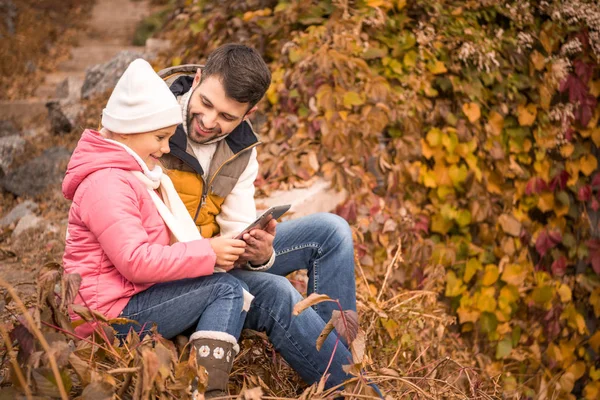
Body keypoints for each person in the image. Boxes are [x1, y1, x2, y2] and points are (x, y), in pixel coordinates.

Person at [158, 44, 378, 393]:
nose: (209, 122)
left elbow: (236, 230)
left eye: (228, 117)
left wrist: (261, 255)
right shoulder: (153, 123)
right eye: (207, 104)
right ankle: (353, 388)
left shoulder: (242, 151)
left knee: (332, 231)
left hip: (218, 258)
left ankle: (338, 358)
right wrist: (208, 251)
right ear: (197, 78)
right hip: (172, 265)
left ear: (249, 113)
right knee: (277, 290)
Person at [62, 58, 249, 398]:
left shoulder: (128, 175)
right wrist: (207, 252)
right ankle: (205, 390)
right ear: (129, 128)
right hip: (105, 318)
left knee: (225, 286)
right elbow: (136, 261)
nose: (165, 149)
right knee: (224, 289)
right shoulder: (107, 183)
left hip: (125, 300)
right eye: (161, 137)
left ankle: (201, 378)